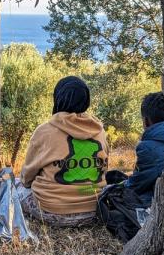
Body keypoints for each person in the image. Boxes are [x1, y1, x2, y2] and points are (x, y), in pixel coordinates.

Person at [19, 76, 109, 227]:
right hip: (95, 211)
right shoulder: (99, 131)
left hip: (51, 212)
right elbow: (104, 168)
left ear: (58, 98)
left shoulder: (44, 131)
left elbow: (27, 176)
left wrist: (25, 183)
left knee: (16, 186)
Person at [106, 91, 164, 206]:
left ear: (146, 121)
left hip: (163, 203)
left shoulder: (147, 147)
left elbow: (137, 185)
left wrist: (113, 188)